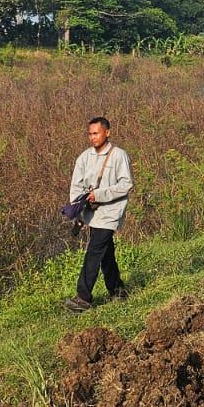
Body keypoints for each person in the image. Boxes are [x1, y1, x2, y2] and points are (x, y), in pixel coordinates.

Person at [67, 116, 133, 311]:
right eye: (90, 134)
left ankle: (83, 298)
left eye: (96, 133)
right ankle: (117, 290)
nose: (92, 137)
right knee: (106, 253)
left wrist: (100, 195)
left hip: (111, 212)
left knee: (94, 251)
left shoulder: (119, 155)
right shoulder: (84, 158)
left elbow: (126, 185)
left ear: (107, 132)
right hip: (91, 213)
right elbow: (75, 188)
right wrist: (78, 214)